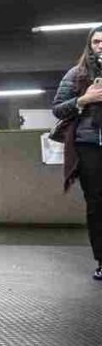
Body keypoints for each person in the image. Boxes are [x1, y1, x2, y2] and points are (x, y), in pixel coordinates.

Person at [52, 24, 102, 280]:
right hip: (89, 144)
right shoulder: (77, 74)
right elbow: (58, 109)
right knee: (97, 204)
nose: (101, 45)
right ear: (90, 45)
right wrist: (84, 99)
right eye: (96, 42)